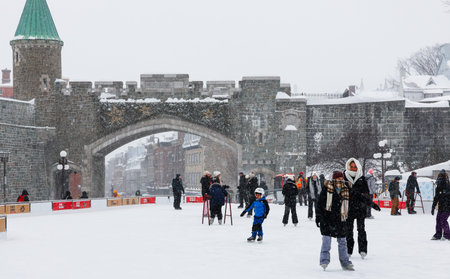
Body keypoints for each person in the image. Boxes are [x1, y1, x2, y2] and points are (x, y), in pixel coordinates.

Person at [316, 171, 354, 271]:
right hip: (327, 219)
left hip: (340, 220)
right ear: (334, 179)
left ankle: (345, 262)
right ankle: (324, 261)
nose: (341, 180)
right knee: (326, 242)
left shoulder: (346, 188)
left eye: (342, 178)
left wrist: (370, 203)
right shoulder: (327, 188)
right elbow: (319, 203)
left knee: (342, 242)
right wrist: (318, 216)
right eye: (338, 178)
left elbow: (358, 196)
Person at [344, 158, 381, 259]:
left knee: (361, 229)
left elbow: (365, 194)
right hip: (348, 208)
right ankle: (348, 249)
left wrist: (370, 204)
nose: (353, 168)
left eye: (355, 166)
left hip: (360, 208)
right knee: (348, 230)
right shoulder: (344, 177)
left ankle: (363, 249)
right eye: (351, 166)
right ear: (348, 166)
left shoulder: (362, 178)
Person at [431, 170, 450, 240]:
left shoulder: (448, 185)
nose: (440, 178)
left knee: (443, 220)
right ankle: (438, 234)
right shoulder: (438, 187)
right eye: (439, 176)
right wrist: (433, 207)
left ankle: (447, 235)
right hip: (441, 206)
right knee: (438, 219)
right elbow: (436, 198)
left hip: (448, 206)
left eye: (441, 176)